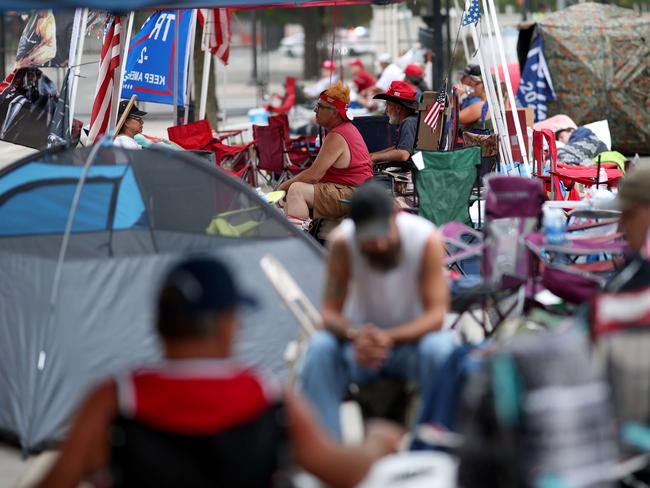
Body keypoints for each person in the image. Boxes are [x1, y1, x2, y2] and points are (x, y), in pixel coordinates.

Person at [36, 256, 402, 488]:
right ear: (228, 326)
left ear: (160, 326)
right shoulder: (267, 396)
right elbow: (344, 472)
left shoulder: (114, 399)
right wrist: (376, 440)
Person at [299, 182, 457, 438]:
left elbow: (436, 316)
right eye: (369, 241)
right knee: (319, 349)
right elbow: (329, 313)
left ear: (396, 218)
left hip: (410, 345)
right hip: (358, 346)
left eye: (384, 235)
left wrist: (388, 337)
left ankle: (432, 444)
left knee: (440, 349)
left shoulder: (425, 239)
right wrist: (355, 335)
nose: (379, 246)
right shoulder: (343, 243)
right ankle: (329, 450)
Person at [278, 82, 374, 231]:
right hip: (355, 190)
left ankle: (299, 240)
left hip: (352, 193)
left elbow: (313, 175)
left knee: (296, 189)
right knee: (294, 192)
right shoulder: (343, 129)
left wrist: (282, 187)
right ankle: (304, 235)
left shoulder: (337, 135)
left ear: (335, 112)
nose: (315, 110)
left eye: (320, 106)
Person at [369, 80, 419, 165]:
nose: (386, 110)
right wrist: (373, 155)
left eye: (388, 105)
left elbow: (403, 154)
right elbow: (397, 148)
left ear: (398, 108)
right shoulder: (411, 120)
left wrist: (375, 158)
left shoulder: (409, 122)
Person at [456, 64, 490, 132]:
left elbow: (454, 119)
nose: (472, 87)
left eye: (474, 84)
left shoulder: (481, 105)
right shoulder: (485, 103)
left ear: (483, 84)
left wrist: (457, 96)